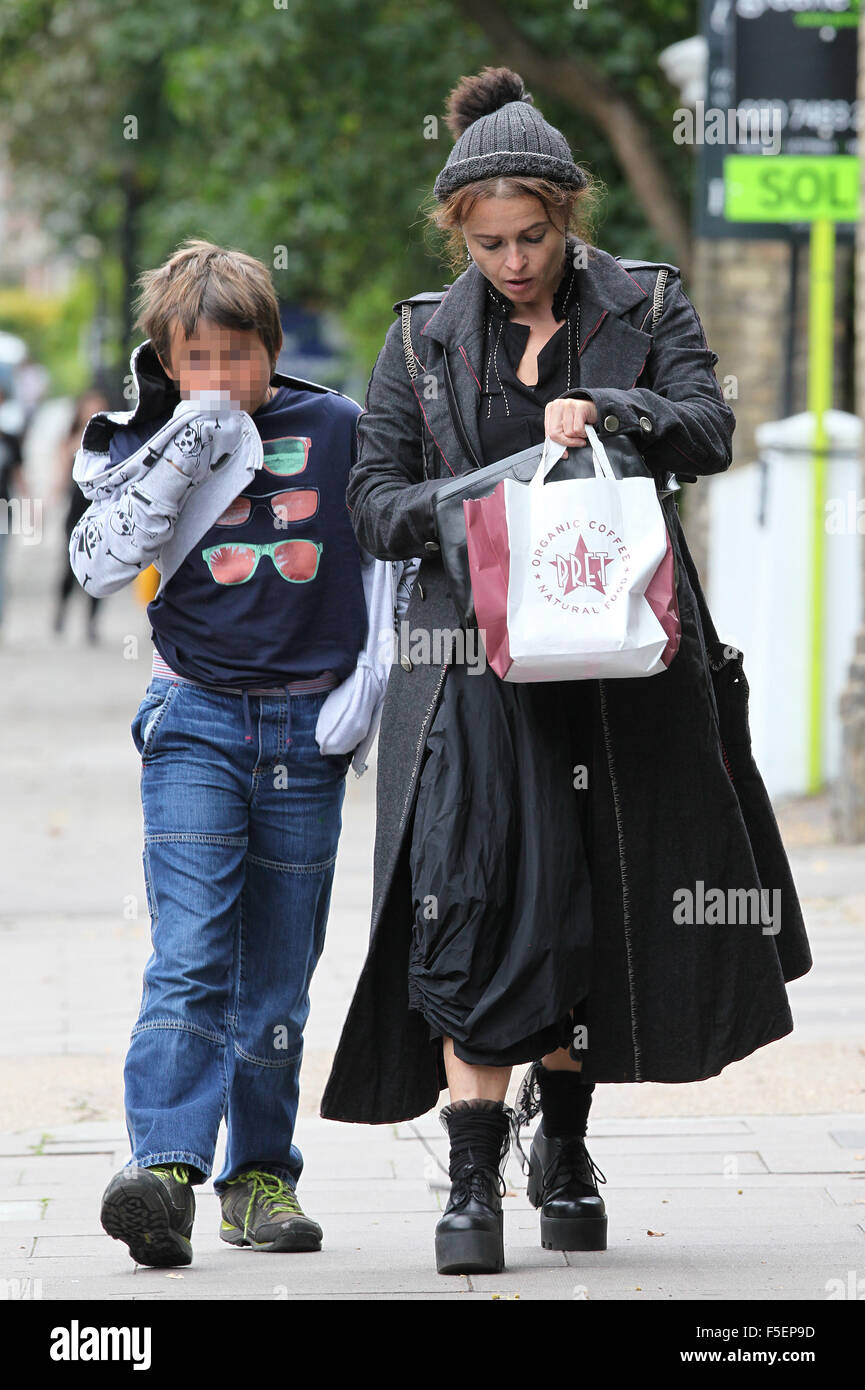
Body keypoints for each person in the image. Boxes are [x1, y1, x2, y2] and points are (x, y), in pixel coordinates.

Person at [320, 68, 813, 1275]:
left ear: (567, 215)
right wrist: (487, 493)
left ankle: (568, 1154)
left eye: (531, 236)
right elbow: (373, 504)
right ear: (458, 232)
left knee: (601, 903)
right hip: (473, 679)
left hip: (622, 666)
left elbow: (709, 428)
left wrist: (613, 410)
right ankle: (472, 1182)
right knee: (478, 903)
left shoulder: (643, 302)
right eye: (486, 242)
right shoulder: (417, 338)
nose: (511, 261)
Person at [68, 238, 416, 1267]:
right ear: (166, 362)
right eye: (197, 360)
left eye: (238, 356)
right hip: (196, 720)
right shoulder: (143, 437)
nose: (221, 379)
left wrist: (372, 692)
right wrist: (184, 438)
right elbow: (100, 561)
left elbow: (393, 555)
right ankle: (165, 1171)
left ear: (272, 345)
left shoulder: (338, 428)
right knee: (189, 953)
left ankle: (260, 1176)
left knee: (277, 975)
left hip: (305, 732)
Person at [52, 387, 109, 642]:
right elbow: (62, 474)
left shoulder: (112, 436)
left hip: (101, 509)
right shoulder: (72, 437)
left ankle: (91, 622)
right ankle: (61, 612)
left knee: (101, 566)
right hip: (76, 508)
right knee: (70, 566)